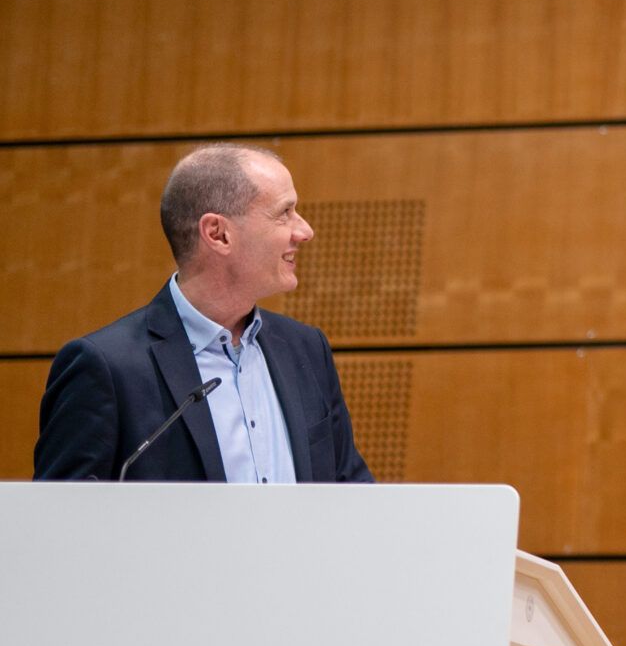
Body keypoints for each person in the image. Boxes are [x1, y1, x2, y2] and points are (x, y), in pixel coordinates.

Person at [33, 145, 372, 481]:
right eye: (284, 213)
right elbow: (60, 522)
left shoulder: (306, 349)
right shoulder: (106, 368)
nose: (304, 231)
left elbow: (350, 491)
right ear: (217, 233)